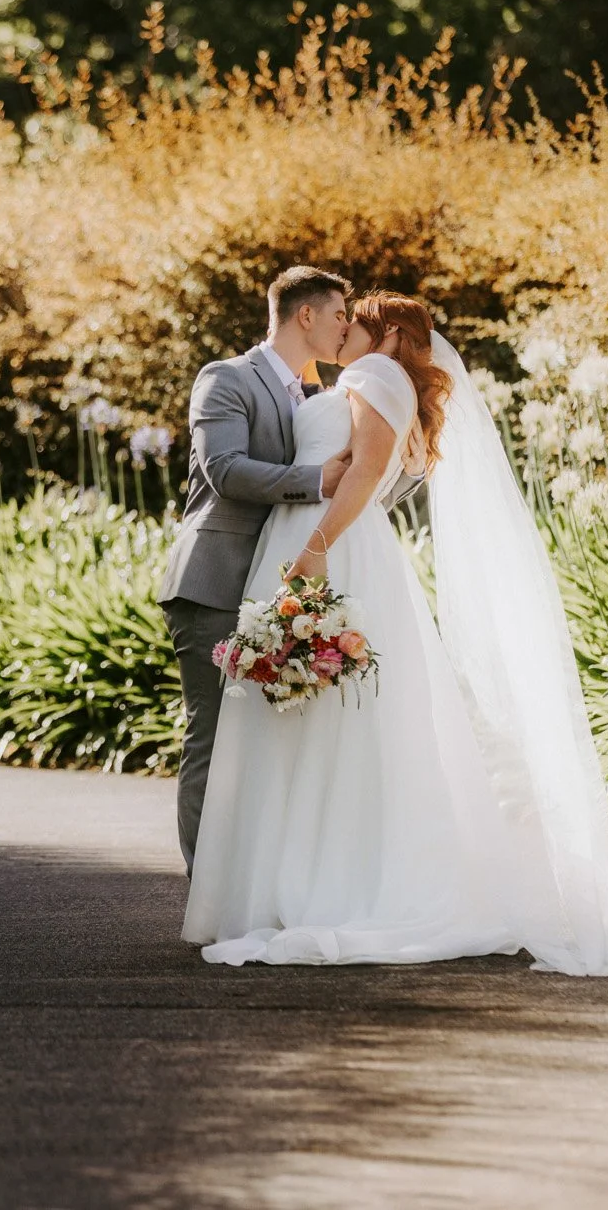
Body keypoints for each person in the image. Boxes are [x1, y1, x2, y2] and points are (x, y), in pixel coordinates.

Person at [181, 290, 608, 976]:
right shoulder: (379, 383)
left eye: (354, 324)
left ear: (388, 333)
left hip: (328, 546)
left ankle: (324, 887)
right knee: (329, 724)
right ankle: (309, 880)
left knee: (326, 724)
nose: (342, 336)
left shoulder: (372, 378)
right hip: (334, 543)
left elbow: (365, 475)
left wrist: (314, 550)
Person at [156, 266, 355, 874]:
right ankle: (206, 889)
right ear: (306, 315)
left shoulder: (316, 397)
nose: (347, 327)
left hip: (270, 589)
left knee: (266, 747)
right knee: (213, 739)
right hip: (215, 577)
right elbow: (226, 470)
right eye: (340, 315)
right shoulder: (225, 378)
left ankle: (253, 882)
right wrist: (314, 479)